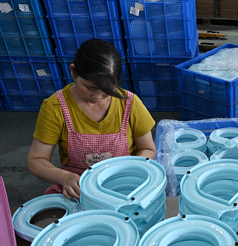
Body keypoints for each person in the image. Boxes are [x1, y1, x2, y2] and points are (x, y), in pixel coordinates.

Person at [27, 39, 157, 199]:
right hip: (78, 190)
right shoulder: (56, 107)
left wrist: (128, 170)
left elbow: (148, 149)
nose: (98, 96)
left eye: (107, 89)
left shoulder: (129, 103)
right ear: (73, 72)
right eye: (90, 87)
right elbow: (37, 160)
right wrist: (65, 178)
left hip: (123, 186)